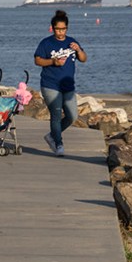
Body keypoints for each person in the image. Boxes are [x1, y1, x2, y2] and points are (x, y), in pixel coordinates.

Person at [34, 10, 87, 157]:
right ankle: (58, 144)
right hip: (50, 84)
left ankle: (52, 135)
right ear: (52, 28)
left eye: (63, 29)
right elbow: (37, 60)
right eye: (58, 29)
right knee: (56, 114)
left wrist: (78, 49)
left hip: (68, 86)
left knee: (72, 116)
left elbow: (83, 59)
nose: (60, 32)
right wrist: (52, 61)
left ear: (67, 28)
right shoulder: (46, 43)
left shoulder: (72, 42)